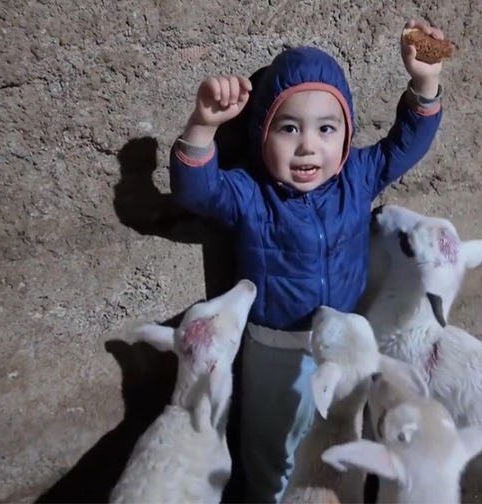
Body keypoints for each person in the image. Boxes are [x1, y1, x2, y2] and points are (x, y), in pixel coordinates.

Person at [168, 19, 446, 503]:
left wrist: (425, 82)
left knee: (339, 440)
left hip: (343, 346)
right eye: (289, 127)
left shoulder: (357, 177)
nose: (307, 146)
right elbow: (197, 189)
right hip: (276, 349)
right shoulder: (250, 193)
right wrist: (203, 126)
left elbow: (406, 143)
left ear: (346, 135)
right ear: (261, 132)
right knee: (273, 449)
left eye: (326, 128)